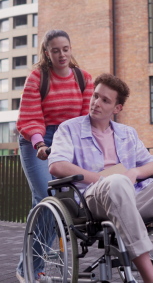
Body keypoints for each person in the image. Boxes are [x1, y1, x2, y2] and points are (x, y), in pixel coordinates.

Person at [48, 73, 153, 283]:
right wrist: (100, 179)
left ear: (117, 108)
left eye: (105, 100)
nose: (96, 103)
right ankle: (151, 278)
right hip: (94, 199)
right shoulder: (70, 128)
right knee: (117, 182)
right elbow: (57, 165)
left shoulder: (128, 133)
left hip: (133, 195)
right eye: (95, 96)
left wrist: (134, 173)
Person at [15, 29, 94, 282]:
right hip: (36, 140)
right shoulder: (38, 78)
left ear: (71, 49)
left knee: (62, 207)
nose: (61, 54)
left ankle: (27, 266)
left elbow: (85, 120)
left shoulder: (83, 78)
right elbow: (29, 117)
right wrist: (39, 143)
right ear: (47, 53)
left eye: (65, 49)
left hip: (67, 140)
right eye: (55, 50)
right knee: (45, 200)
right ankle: (31, 269)